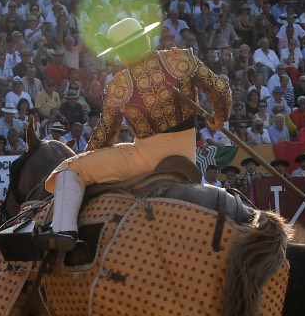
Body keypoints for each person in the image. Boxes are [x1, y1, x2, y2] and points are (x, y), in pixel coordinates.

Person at [38, 18, 231, 250]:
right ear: (145, 39)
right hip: (187, 156)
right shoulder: (181, 59)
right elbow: (221, 90)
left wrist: (86, 159)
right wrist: (218, 119)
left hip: (144, 160)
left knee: (71, 168)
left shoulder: (121, 83)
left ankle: (63, 230)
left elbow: (105, 137)